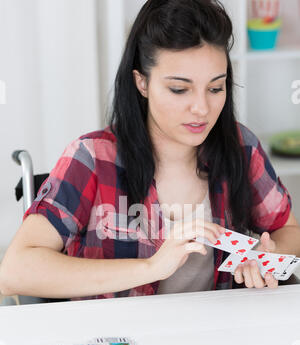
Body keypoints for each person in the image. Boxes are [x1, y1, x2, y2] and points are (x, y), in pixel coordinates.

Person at [1, 0, 300, 301]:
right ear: (142, 82)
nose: (202, 109)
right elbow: (13, 273)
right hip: (118, 338)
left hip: (215, 339)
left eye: (215, 88)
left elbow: (288, 230)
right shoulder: (92, 158)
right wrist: (151, 267)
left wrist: (264, 256)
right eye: (179, 89)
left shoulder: (240, 146)